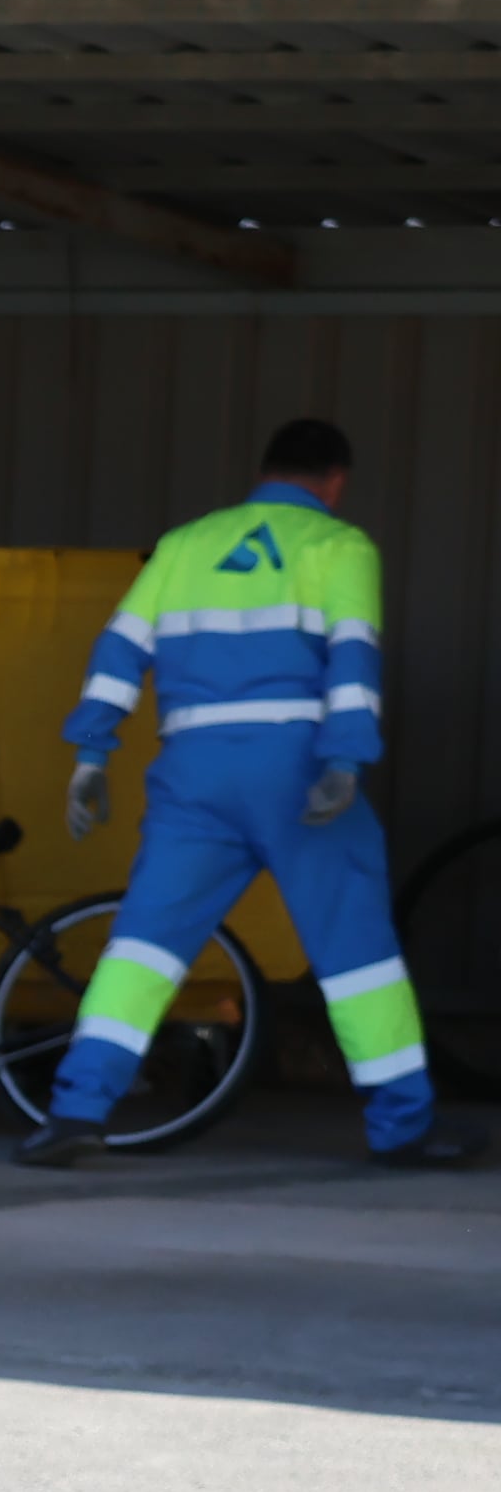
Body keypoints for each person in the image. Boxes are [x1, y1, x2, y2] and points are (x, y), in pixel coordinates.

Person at [24, 418, 481, 1170]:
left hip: (192, 774)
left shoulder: (184, 544)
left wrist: (91, 752)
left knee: (142, 948)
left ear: (264, 471)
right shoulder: (339, 547)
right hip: (295, 766)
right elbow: (353, 660)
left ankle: (75, 1110)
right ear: (336, 480)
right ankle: (404, 1127)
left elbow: (118, 648)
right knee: (357, 954)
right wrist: (345, 760)